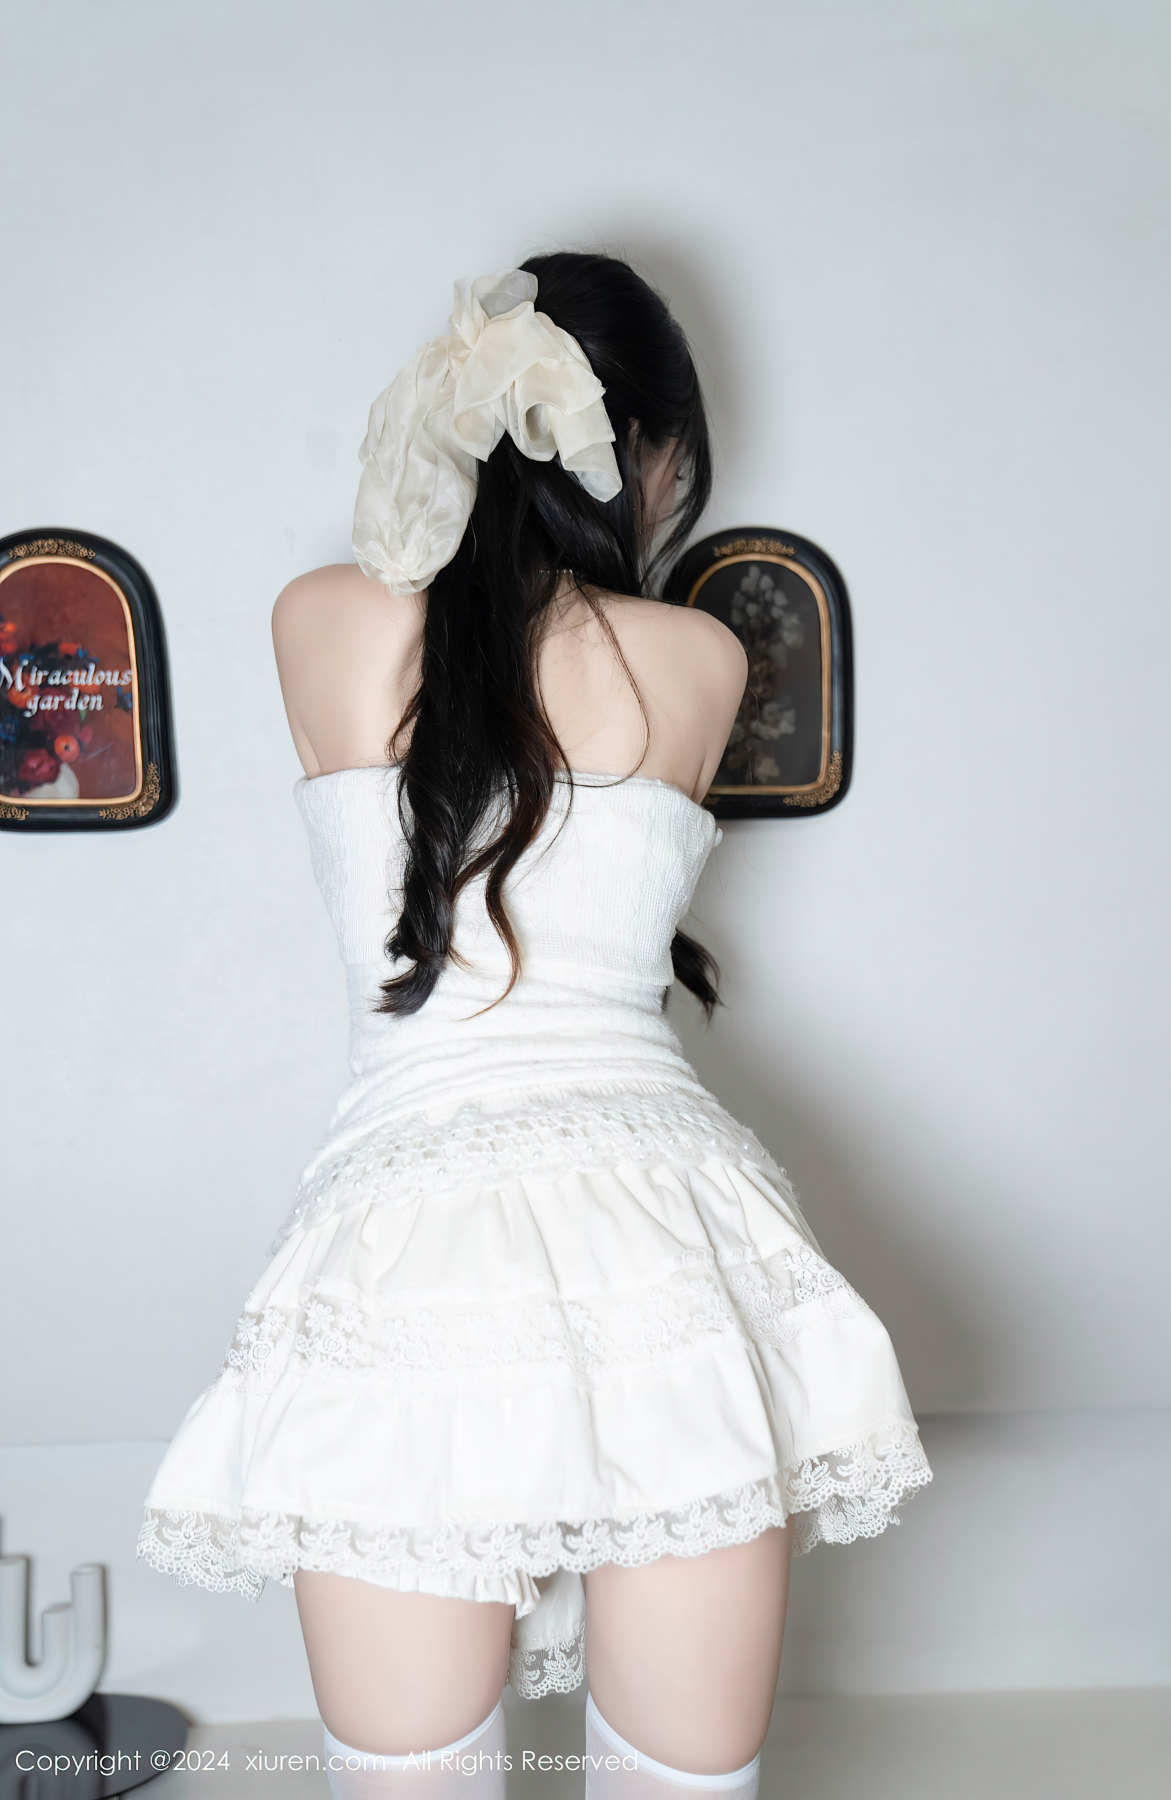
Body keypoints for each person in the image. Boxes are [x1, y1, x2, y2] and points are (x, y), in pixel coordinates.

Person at [138, 253, 931, 1798]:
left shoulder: (321, 619)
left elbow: (436, 616)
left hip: (407, 1242)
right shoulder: (697, 658)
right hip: (669, 1235)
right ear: (649, 456)